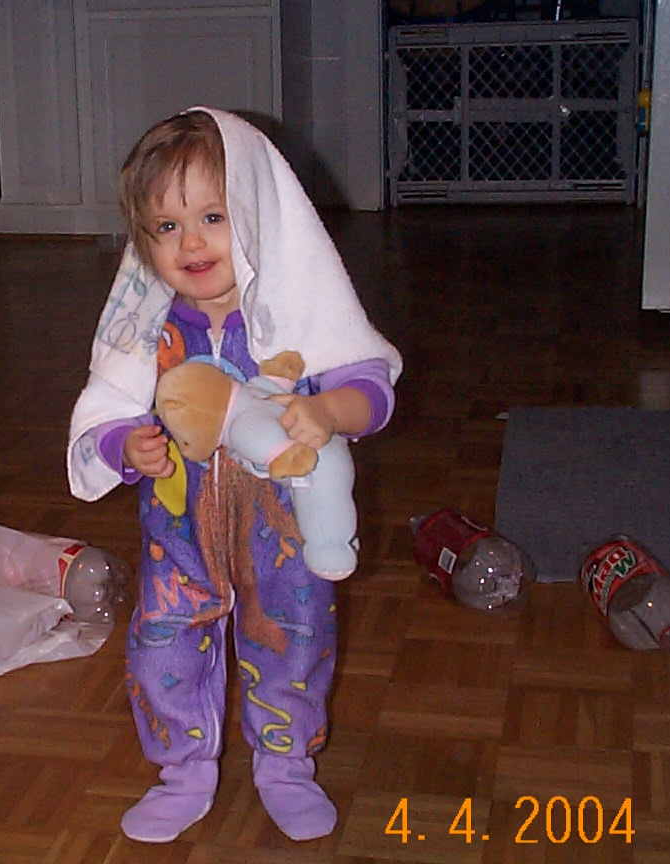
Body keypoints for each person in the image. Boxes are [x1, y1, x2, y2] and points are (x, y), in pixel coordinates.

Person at [67, 107, 402, 844]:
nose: (191, 243)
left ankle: (287, 766)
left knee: (294, 639)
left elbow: (370, 384)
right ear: (143, 242)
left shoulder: (298, 313)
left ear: (256, 216)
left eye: (212, 217)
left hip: (283, 538)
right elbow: (105, 410)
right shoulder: (146, 330)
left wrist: (330, 412)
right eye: (166, 226)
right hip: (177, 537)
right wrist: (128, 445)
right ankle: (182, 771)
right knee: (163, 641)